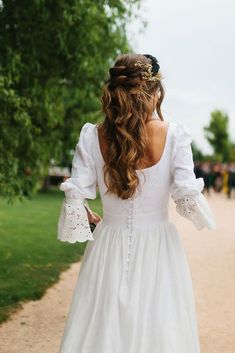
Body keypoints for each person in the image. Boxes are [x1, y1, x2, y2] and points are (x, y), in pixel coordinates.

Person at [57, 53, 216, 353]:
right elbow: (187, 198)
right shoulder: (174, 135)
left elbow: (76, 195)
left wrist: (86, 212)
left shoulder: (94, 136)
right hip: (159, 245)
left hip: (108, 244)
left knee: (103, 325)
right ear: (154, 91)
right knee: (160, 325)